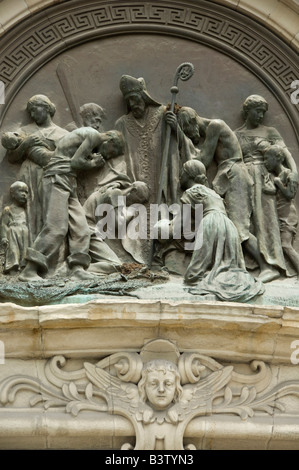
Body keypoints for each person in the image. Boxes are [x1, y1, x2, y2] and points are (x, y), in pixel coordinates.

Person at [168, 105, 282, 283]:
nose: (191, 136)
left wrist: (180, 135)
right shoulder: (212, 130)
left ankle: (268, 266)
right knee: (229, 224)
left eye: (187, 130)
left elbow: (204, 160)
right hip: (226, 175)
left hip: (234, 175)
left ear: (192, 121)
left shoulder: (215, 125)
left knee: (238, 227)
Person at [18, 127, 124, 282]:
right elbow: (75, 162)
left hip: (68, 180)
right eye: (111, 152)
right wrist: (93, 163)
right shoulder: (94, 135)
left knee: (81, 228)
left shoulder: (88, 138)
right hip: (56, 178)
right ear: (110, 141)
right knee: (56, 227)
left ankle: (77, 269)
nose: (108, 156)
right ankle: (30, 270)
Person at [179, 160, 265, 302]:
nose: (179, 176)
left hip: (211, 223)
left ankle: (203, 277)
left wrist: (160, 230)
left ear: (188, 175)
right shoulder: (212, 192)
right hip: (228, 226)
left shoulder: (191, 192)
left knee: (193, 275)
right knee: (228, 265)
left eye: (182, 172)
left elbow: (180, 224)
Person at [235, 94, 298, 282]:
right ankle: (253, 263)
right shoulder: (237, 134)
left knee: (265, 220)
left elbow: (285, 154)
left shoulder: (270, 132)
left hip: (264, 178)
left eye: (263, 112)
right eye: (258, 111)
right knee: (247, 223)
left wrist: (294, 173)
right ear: (248, 111)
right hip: (242, 178)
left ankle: (272, 265)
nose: (261, 116)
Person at [4, 95, 69, 241]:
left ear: (46, 108)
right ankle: (30, 251)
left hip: (53, 177)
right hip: (29, 176)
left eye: (35, 110)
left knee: (51, 214)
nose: (32, 115)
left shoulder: (63, 134)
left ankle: (51, 253)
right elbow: (12, 158)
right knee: (31, 213)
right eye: (30, 112)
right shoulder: (25, 130)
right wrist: (26, 143)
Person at [84, 180, 150, 270]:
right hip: (88, 233)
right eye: (136, 200)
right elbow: (118, 224)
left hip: (95, 233)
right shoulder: (115, 193)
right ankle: (79, 269)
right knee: (115, 266)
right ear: (133, 191)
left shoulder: (116, 192)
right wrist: (131, 212)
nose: (134, 204)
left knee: (120, 265)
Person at [263, 145, 299, 276]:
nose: (265, 162)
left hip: (288, 216)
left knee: (285, 245)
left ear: (277, 158)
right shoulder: (275, 175)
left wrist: (278, 184)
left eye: (267, 158)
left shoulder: (288, 174)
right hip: (279, 216)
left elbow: (290, 194)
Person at [0, 181, 29, 274]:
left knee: (24, 252)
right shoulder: (8, 209)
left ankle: (23, 268)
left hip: (24, 233)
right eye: (21, 191)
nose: (24, 194)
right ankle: (12, 268)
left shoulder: (26, 210)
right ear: (13, 194)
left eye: (26, 192)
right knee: (13, 251)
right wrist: (4, 237)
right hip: (13, 233)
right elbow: (4, 224)